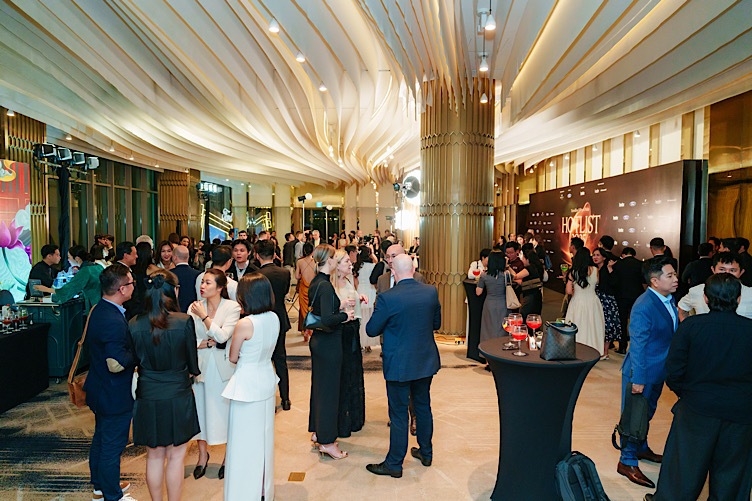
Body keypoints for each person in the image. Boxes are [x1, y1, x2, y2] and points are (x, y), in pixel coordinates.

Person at [646, 274, 752, 501]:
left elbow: (674, 371)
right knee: (731, 479)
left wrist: (687, 394)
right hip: (741, 414)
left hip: (696, 409)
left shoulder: (691, 327)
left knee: (683, 474)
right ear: (738, 298)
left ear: (705, 298)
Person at [365, 254, 441, 478]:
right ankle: (426, 453)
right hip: (425, 360)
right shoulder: (430, 291)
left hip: (399, 363)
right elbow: (436, 323)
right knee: (423, 407)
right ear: (413, 269)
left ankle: (394, 464)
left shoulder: (388, 297)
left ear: (393, 272)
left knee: (399, 413)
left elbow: (371, 329)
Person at [128, 270, 199, 501]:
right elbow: (193, 365)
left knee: (154, 456)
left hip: (147, 393)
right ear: (173, 291)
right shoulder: (184, 321)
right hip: (178, 392)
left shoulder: (134, 323)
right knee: (176, 457)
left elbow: (134, 360)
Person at [617, 256, 678, 489]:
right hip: (641, 371)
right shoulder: (644, 305)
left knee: (647, 413)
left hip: (659, 370)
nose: (675, 279)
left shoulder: (668, 299)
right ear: (654, 281)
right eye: (670, 275)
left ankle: (641, 448)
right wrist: (639, 379)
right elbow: (638, 345)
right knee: (634, 417)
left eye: (674, 274)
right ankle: (627, 461)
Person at [221, 274, 279, 501]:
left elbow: (232, 357)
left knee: (243, 443)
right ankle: (264, 491)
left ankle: (243, 494)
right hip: (266, 380)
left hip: (246, 385)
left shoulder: (245, 324)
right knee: (264, 441)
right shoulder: (273, 317)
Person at [84, 264, 137, 501]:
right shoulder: (113, 320)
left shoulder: (100, 308)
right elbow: (115, 363)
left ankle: (101, 486)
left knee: (101, 439)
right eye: (131, 282)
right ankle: (112, 495)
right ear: (122, 289)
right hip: (113, 393)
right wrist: (137, 351)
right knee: (112, 446)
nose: (134, 286)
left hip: (100, 388)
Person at [189, 268, 241, 480]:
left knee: (225, 413)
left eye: (208, 283)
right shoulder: (193, 307)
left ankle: (228, 458)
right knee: (200, 412)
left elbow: (222, 336)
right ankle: (202, 456)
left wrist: (204, 318)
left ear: (220, 287)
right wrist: (203, 343)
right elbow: (188, 339)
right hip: (200, 367)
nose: (202, 286)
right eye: (202, 282)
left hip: (222, 367)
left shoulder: (232, 307)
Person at [308, 244, 354, 459]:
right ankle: (327, 441)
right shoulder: (325, 285)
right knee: (329, 393)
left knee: (320, 389)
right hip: (328, 343)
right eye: (335, 258)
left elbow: (322, 310)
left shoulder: (317, 281)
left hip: (320, 341)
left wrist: (339, 305)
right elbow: (327, 319)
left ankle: (319, 431)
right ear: (329, 260)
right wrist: (345, 315)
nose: (337, 260)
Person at [331, 249, 367, 437]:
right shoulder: (330, 285)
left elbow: (352, 299)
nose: (350, 264)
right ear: (336, 264)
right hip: (341, 332)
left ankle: (355, 417)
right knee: (344, 375)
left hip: (353, 329)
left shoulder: (348, 281)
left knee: (354, 373)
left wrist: (359, 297)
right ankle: (343, 419)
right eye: (346, 261)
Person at [254, 239, 292, 411]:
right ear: (275, 254)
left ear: (257, 255)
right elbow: (284, 292)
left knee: (263, 359)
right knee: (280, 359)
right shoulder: (284, 273)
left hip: (262, 319)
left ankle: (265, 397)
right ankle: (285, 398)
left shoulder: (256, 275)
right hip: (280, 317)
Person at [678, 251, 752, 321]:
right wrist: (688, 326)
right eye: (722, 269)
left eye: (732, 270)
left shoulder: (750, 293)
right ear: (713, 270)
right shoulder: (697, 290)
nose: (727, 274)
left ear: (741, 272)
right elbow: (682, 308)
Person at [565, 248, 606, 357]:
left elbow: (568, 291)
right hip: (593, 302)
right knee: (593, 326)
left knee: (578, 325)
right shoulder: (595, 270)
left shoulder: (573, 272)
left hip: (578, 301)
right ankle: (593, 351)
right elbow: (597, 283)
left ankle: (577, 351)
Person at [45, 246, 105, 311]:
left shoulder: (85, 271)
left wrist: (45, 289)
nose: (68, 260)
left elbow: (69, 289)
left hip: (94, 305)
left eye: (69, 257)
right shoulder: (98, 267)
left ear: (77, 258)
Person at [611, 246, 644, 354]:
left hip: (622, 296)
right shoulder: (640, 264)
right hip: (637, 296)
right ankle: (637, 347)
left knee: (622, 321)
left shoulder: (619, 264)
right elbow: (644, 280)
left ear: (623, 255)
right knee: (638, 321)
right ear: (634, 255)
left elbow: (615, 281)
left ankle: (622, 347)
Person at [592, 247, 621, 358]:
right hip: (597, 298)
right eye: (594, 255)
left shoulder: (607, 268)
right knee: (598, 324)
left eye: (598, 255)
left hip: (607, 300)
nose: (595, 257)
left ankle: (605, 352)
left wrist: (610, 268)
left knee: (607, 325)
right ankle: (600, 351)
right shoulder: (594, 269)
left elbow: (614, 283)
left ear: (604, 257)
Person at [475, 251, 508, 347]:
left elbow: (478, 292)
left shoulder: (484, 275)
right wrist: (508, 267)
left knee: (488, 328)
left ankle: (487, 350)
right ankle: (501, 350)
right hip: (503, 303)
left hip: (489, 303)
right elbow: (516, 277)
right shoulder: (506, 275)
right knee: (502, 328)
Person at [355, 245, 378, 352]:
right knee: (370, 318)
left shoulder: (357, 266)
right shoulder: (373, 266)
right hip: (371, 293)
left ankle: (361, 342)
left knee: (361, 319)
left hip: (360, 292)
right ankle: (369, 343)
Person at [513, 249, 544, 317]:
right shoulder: (537, 268)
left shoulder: (529, 268)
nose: (522, 260)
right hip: (537, 295)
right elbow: (526, 282)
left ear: (528, 259)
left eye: (524, 258)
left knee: (526, 316)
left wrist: (508, 267)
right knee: (534, 316)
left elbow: (515, 276)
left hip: (530, 297)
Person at [171, 245, 200, 313]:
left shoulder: (169, 275)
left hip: (175, 313)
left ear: (174, 257)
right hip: (194, 312)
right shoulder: (198, 274)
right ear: (188, 257)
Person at [295, 242, 316, 338]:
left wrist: (302, 275)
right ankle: (311, 328)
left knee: (304, 309)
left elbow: (297, 276)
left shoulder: (300, 262)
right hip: (313, 288)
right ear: (313, 251)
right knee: (312, 308)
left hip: (303, 288)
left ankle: (306, 329)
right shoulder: (315, 262)